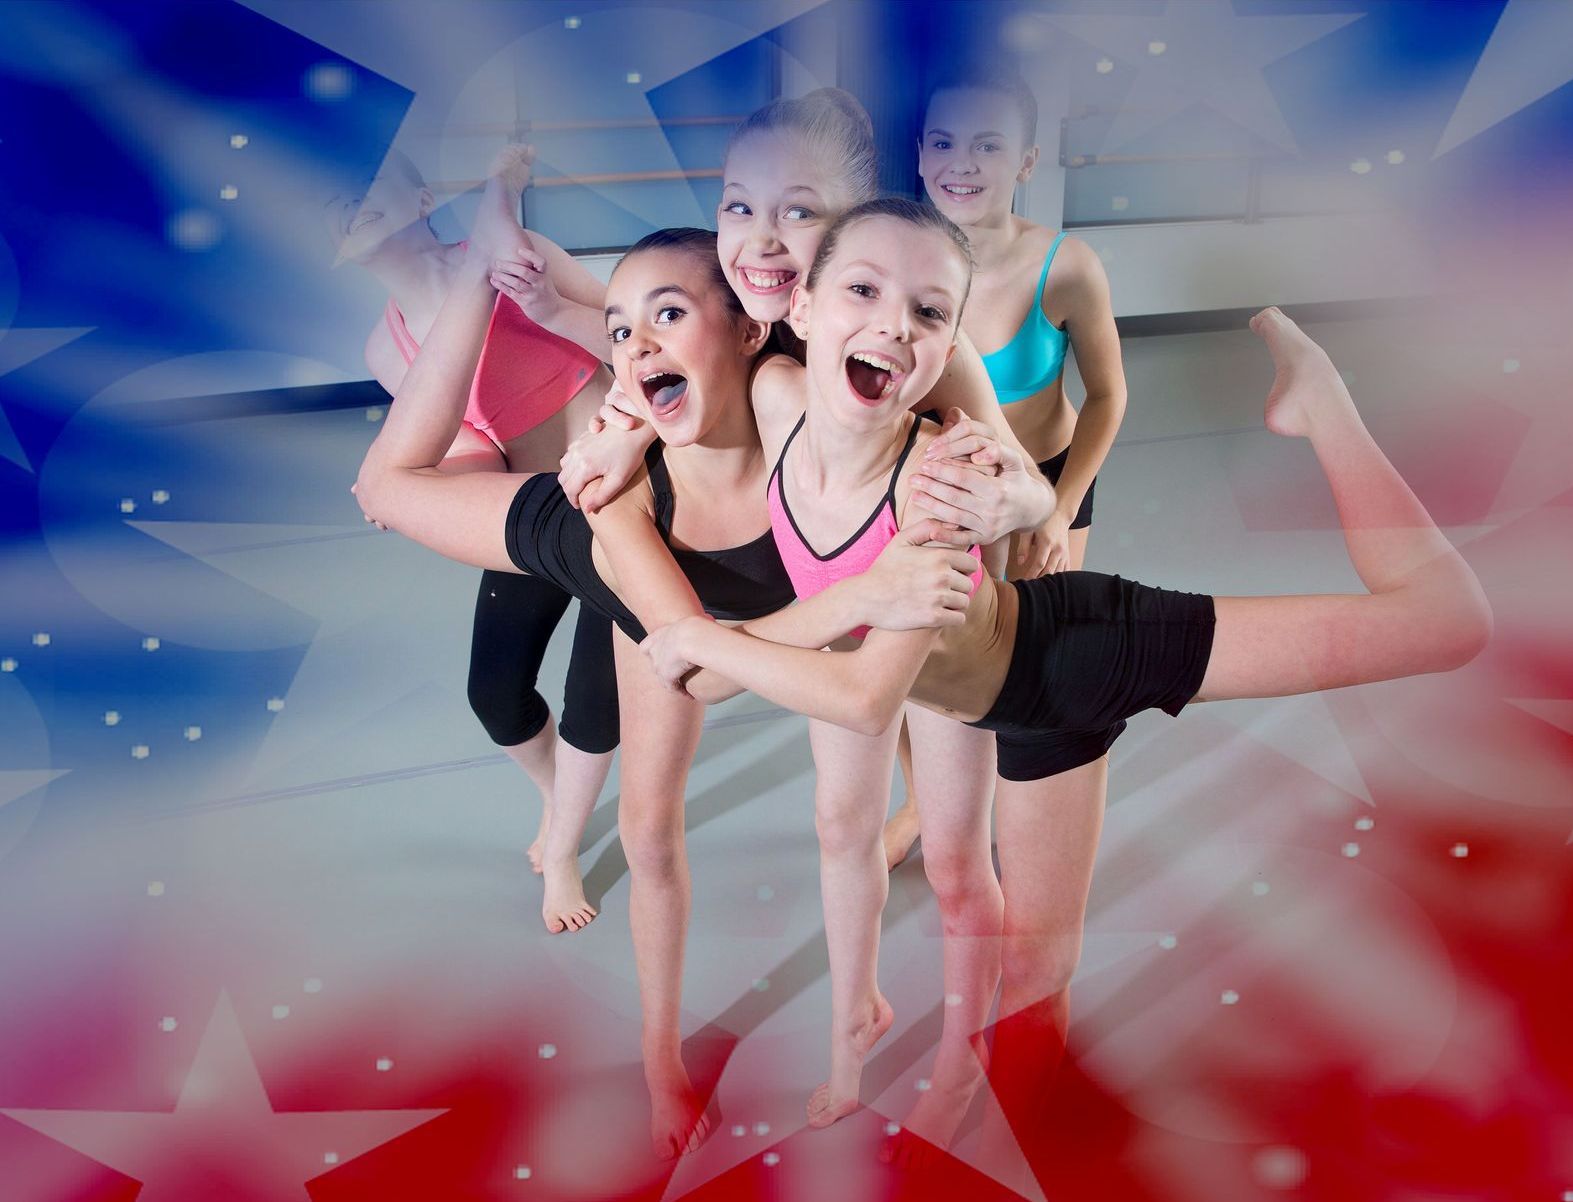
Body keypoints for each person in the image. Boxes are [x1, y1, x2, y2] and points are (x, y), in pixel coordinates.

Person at [636, 198, 1493, 1150]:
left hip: (1075, 661)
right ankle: (994, 1110)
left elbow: (864, 695)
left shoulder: (937, 488)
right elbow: (667, 351)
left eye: (928, 312)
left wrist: (712, 643)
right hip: (993, 688)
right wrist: (616, 435)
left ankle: (1322, 403)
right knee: (1026, 951)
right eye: (864, 291)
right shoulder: (779, 399)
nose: (890, 323)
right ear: (800, 311)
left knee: (1444, 626)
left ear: (948, 348)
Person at [353, 161, 1020, 1157]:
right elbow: (697, 669)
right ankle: (662, 1058)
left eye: (663, 317)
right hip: (658, 584)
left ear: (756, 329)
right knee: (647, 822)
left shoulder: (806, 391)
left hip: (791, 592)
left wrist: (1004, 519)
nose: (632, 348)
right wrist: (474, 280)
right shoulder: (615, 496)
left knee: (901, 828)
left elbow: (933, 344)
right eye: (619, 331)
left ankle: (951, 1036)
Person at [562, 90, 1059, 1143]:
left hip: (917, 605)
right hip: (796, 587)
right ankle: (825, 1028)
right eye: (740, 207)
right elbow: (644, 334)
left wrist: (1026, 506)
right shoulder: (730, 289)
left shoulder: (909, 332)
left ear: (855, 224)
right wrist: (618, 431)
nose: (760, 239)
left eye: (798, 214)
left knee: (958, 854)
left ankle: (972, 1048)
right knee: (827, 821)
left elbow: (1022, 491)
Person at [329, 145, 617, 921]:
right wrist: (407, 489)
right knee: (494, 694)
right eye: (339, 203)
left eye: (370, 185)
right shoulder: (382, 348)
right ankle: (562, 800)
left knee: (597, 701)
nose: (355, 201)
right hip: (534, 522)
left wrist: (550, 306)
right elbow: (470, 452)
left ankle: (562, 852)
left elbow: (638, 345)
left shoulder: (525, 258)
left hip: (625, 506)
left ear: (423, 194)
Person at [876, 61, 1132, 864]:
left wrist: (1057, 509)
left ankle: (1032, 820)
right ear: (918, 153)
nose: (963, 162)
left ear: (1026, 162)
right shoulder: (889, 257)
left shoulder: (1067, 266)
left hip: (1043, 487)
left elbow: (1108, 397)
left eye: (989, 145)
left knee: (1027, 664)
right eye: (945, 141)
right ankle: (926, 805)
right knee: (922, 668)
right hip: (935, 494)